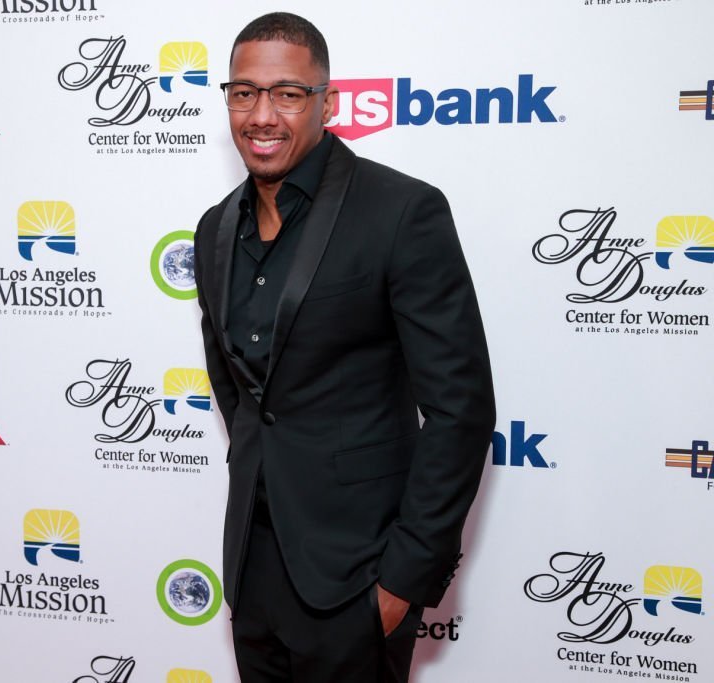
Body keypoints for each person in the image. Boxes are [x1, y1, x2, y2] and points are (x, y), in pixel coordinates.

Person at [193, 12, 496, 683]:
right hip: (253, 567)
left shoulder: (400, 211)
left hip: (358, 578)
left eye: (287, 93)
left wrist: (400, 582)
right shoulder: (215, 229)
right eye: (243, 93)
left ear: (327, 102)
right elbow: (239, 391)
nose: (262, 115)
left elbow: (460, 410)